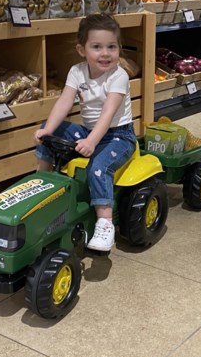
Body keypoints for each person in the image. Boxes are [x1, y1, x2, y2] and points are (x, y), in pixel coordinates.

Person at [34, 13, 136, 252]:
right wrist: (48, 129)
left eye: (112, 47)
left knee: (97, 167)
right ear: (81, 50)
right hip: (90, 131)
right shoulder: (77, 72)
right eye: (97, 47)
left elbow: (108, 114)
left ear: (119, 48)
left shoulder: (118, 76)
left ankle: (105, 223)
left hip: (119, 136)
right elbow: (64, 102)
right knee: (48, 131)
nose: (105, 53)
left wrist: (91, 141)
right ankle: (41, 182)